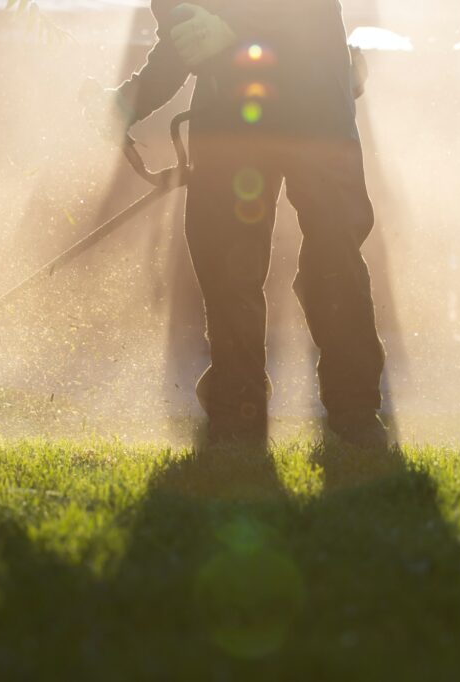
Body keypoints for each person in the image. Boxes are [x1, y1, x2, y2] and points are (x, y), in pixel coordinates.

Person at [88, 1, 386, 448]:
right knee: (226, 258)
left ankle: (356, 413)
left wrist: (239, 28)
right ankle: (237, 409)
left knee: (333, 256)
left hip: (315, 108)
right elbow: (183, 38)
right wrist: (126, 103)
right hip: (233, 118)